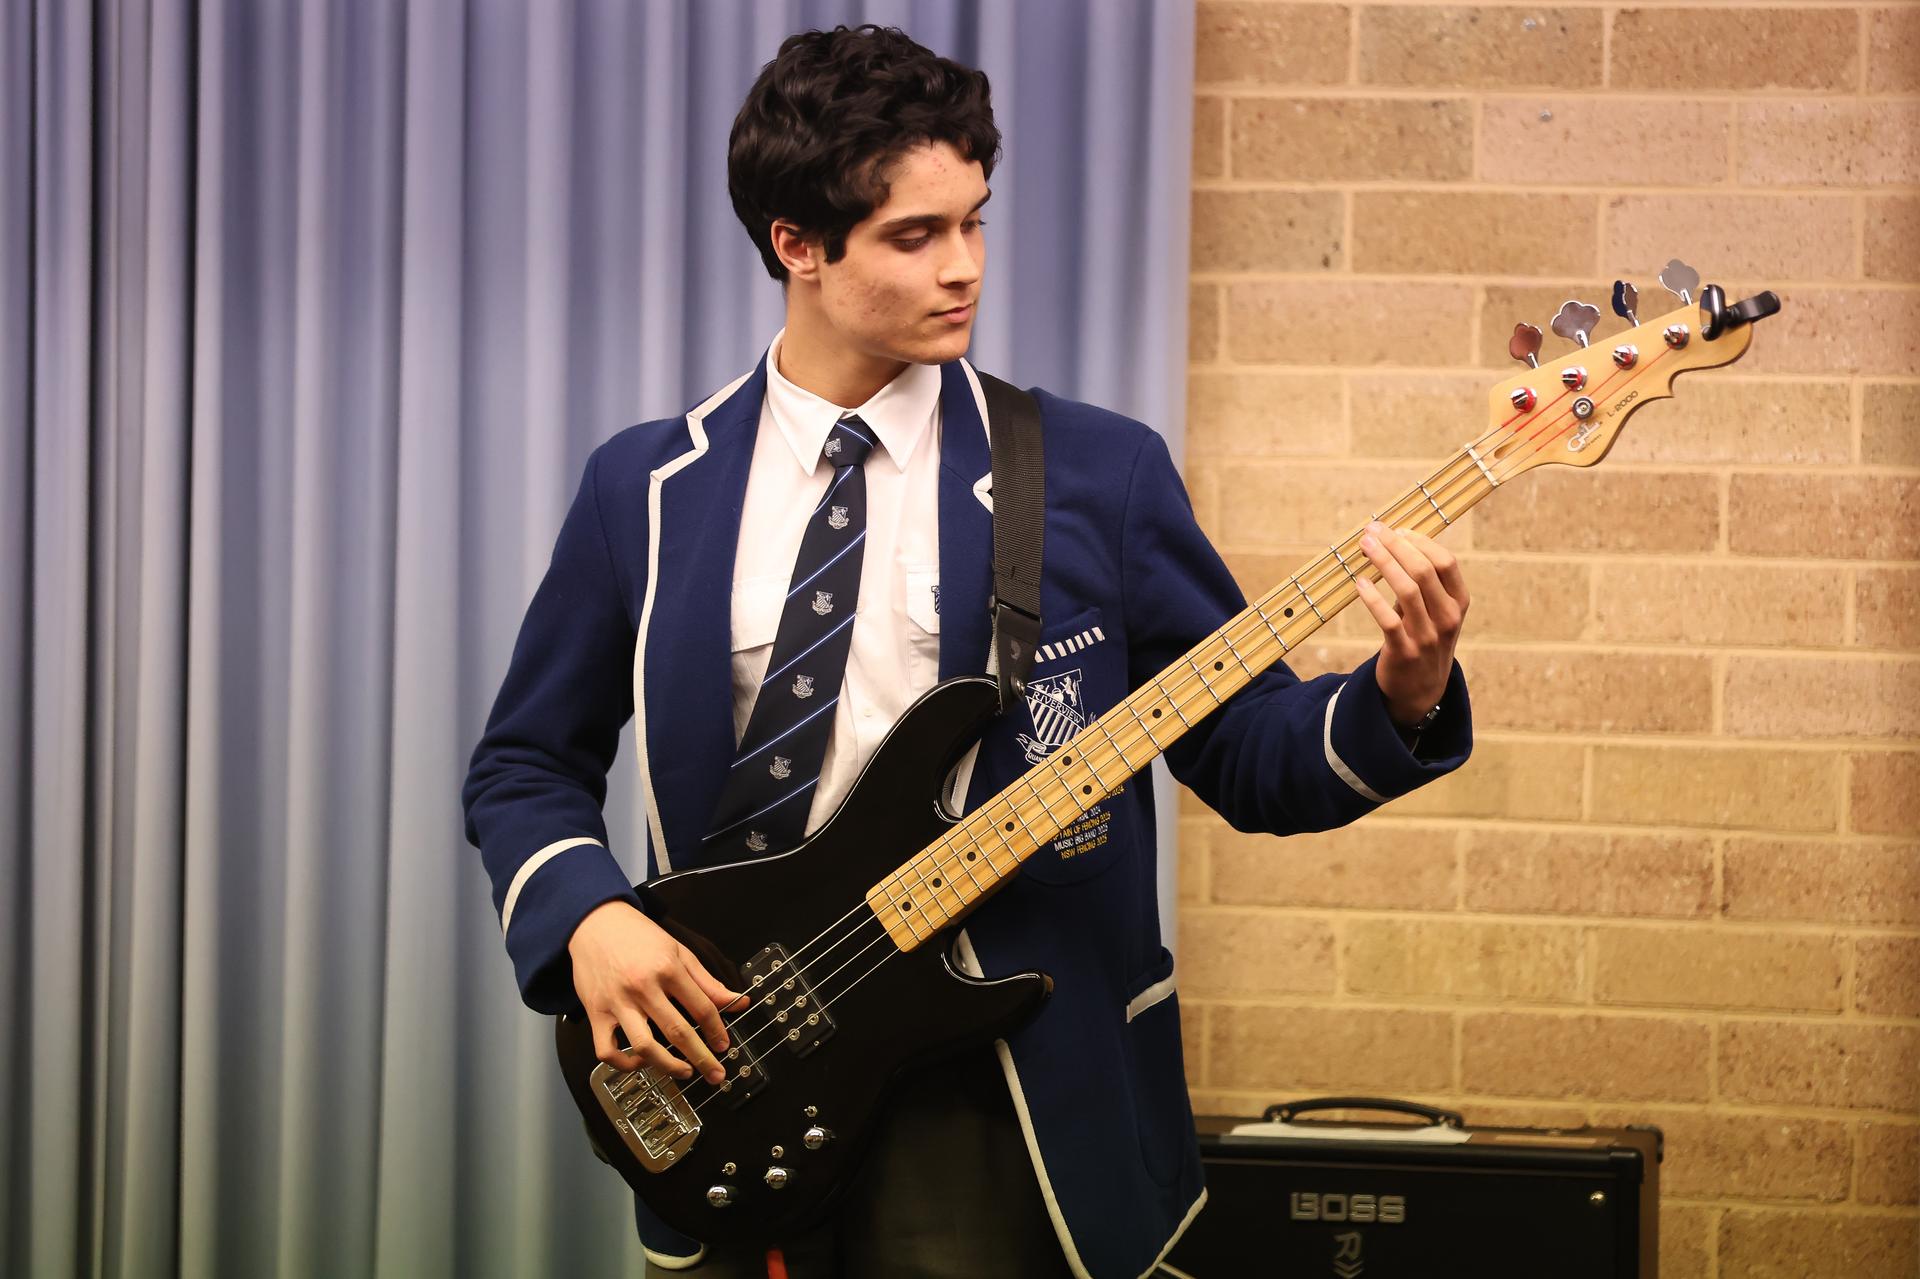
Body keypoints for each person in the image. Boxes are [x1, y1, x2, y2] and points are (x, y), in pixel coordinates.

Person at [463, 24, 1473, 1279]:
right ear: (798, 244)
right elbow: (524, 764)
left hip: (1008, 1097)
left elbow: (1244, 749)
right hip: (736, 1069)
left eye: (975, 221)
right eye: (915, 235)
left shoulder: (1097, 473)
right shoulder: (646, 489)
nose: (965, 267)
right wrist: (590, 919)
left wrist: (1399, 695)